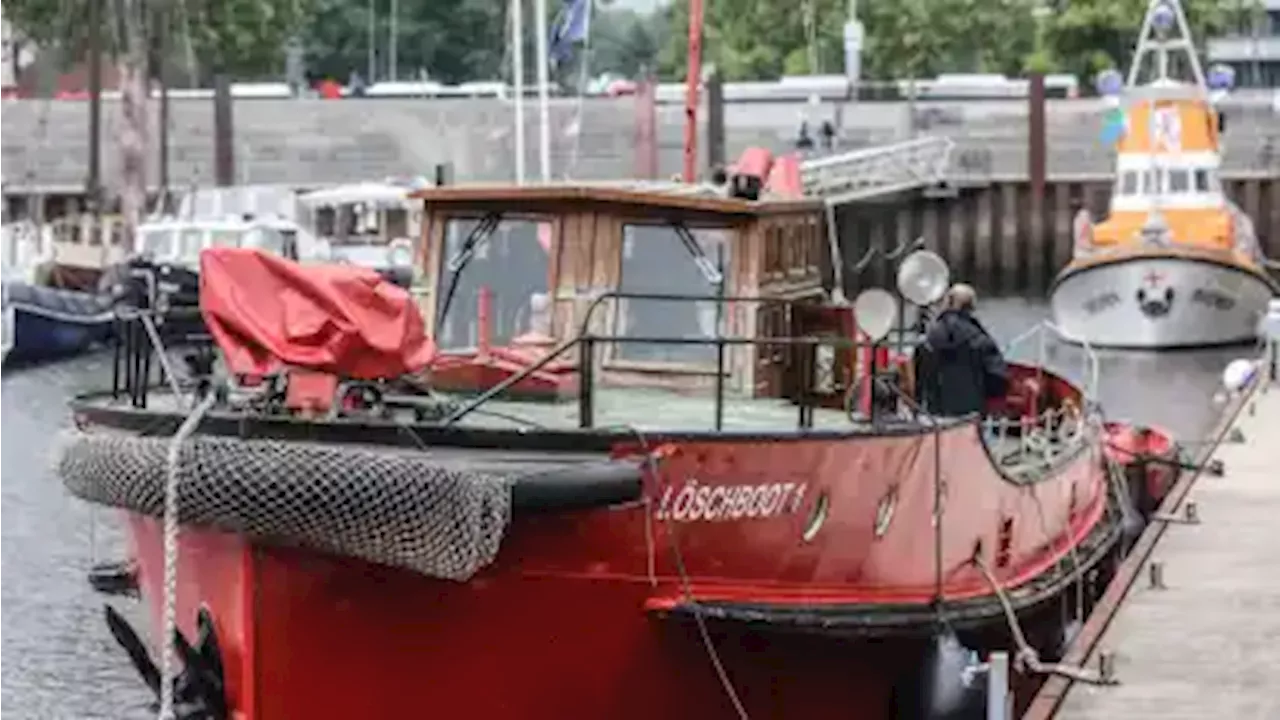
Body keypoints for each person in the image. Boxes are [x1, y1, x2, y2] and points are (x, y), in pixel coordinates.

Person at [920, 283, 1008, 417]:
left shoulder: (930, 337)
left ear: (948, 302)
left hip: (934, 414)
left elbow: (918, 377)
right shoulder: (980, 339)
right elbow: (998, 378)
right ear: (972, 306)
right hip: (971, 415)